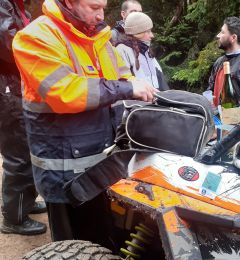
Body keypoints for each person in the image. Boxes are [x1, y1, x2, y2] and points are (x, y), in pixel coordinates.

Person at [12, 0, 156, 247]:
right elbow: (64, 92)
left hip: (100, 165)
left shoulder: (98, 37)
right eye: (93, 7)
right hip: (64, 172)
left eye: (103, 7)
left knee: (102, 240)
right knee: (72, 247)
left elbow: (122, 75)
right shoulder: (35, 37)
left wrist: (137, 87)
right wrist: (126, 87)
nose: (101, 15)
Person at [0, 0, 47, 235]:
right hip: (6, 89)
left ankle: (22, 204)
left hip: (18, 87)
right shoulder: (3, 6)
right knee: (17, 155)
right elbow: (10, 46)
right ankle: (13, 219)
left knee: (27, 150)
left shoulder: (20, 9)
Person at [116, 12, 169, 91]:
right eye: (148, 32)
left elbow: (159, 79)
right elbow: (123, 81)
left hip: (154, 99)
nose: (152, 35)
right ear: (137, 33)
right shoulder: (122, 50)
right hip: (137, 101)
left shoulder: (147, 50)